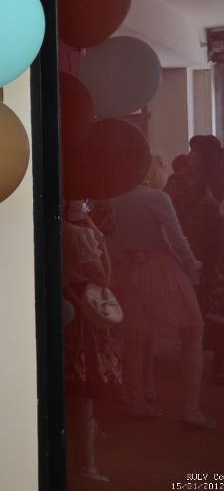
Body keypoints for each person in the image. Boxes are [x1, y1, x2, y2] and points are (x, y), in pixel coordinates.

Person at [110, 156, 214, 429]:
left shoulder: (118, 199)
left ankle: (138, 400)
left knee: (137, 337)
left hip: (130, 270)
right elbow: (176, 237)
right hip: (161, 269)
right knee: (193, 330)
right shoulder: (157, 198)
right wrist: (192, 265)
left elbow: (118, 241)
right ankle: (190, 408)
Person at [62, 200, 122, 483]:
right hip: (84, 314)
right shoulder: (81, 234)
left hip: (65, 307)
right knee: (83, 394)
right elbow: (105, 276)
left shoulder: (55, 230)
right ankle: (87, 464)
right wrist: (94, 231)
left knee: (67, 390)